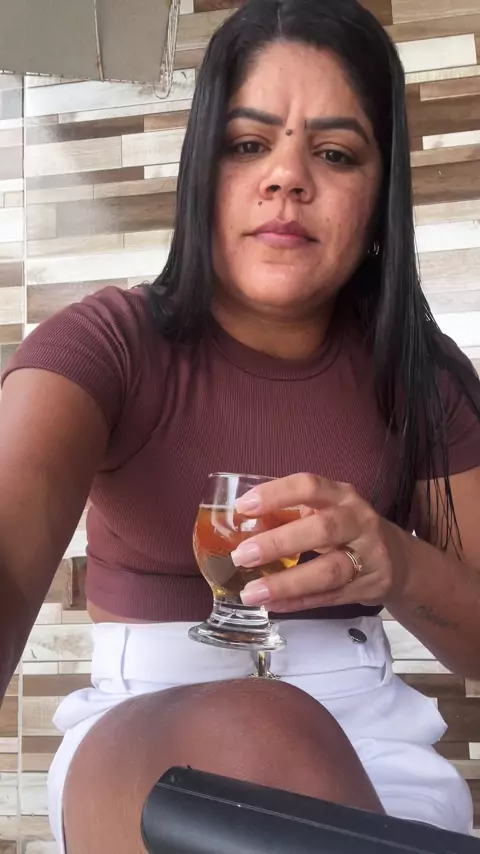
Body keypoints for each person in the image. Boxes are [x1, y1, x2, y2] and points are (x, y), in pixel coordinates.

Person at [1, 0, 480, 850]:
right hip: (142, 736)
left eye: (335, 153)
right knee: (263, 732)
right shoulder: (104, 346)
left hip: (376, 741)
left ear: (381, 197)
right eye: (248, 144)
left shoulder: (424, 376)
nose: (287, 178)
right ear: (200, 172)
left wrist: (397, 561)